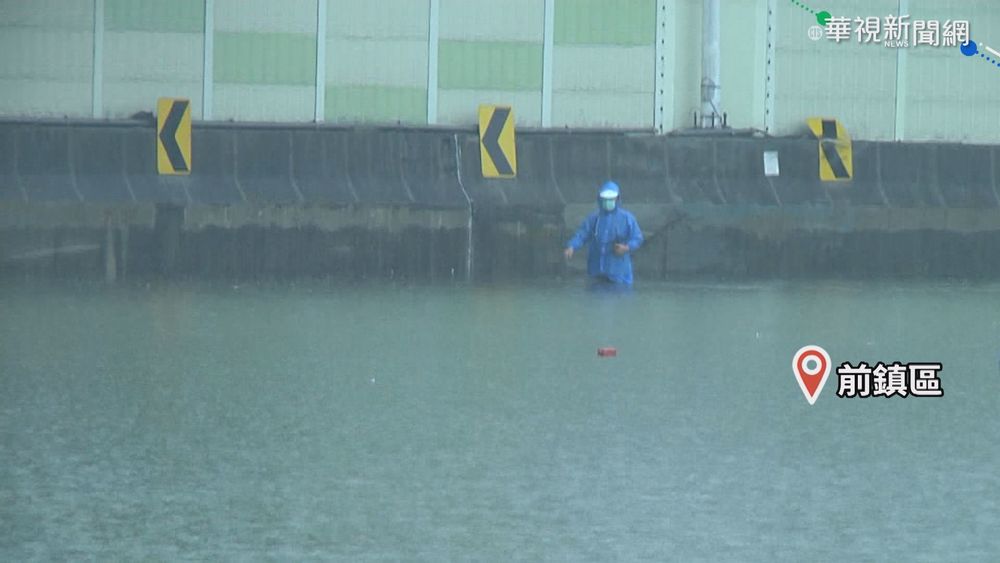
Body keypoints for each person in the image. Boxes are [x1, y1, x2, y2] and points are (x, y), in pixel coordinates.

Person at [564, 181, 644, 287]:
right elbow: (582, 235)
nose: (608, 201)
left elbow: (637, 238)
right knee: (595, 301)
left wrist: (626, 247)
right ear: (600, 199)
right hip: (596, 273)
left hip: (620, 274)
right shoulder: (593, 218)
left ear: (617, 199)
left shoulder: (627, 219)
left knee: (620, 300)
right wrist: (572, 246)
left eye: (611, 199)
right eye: (605, 199)